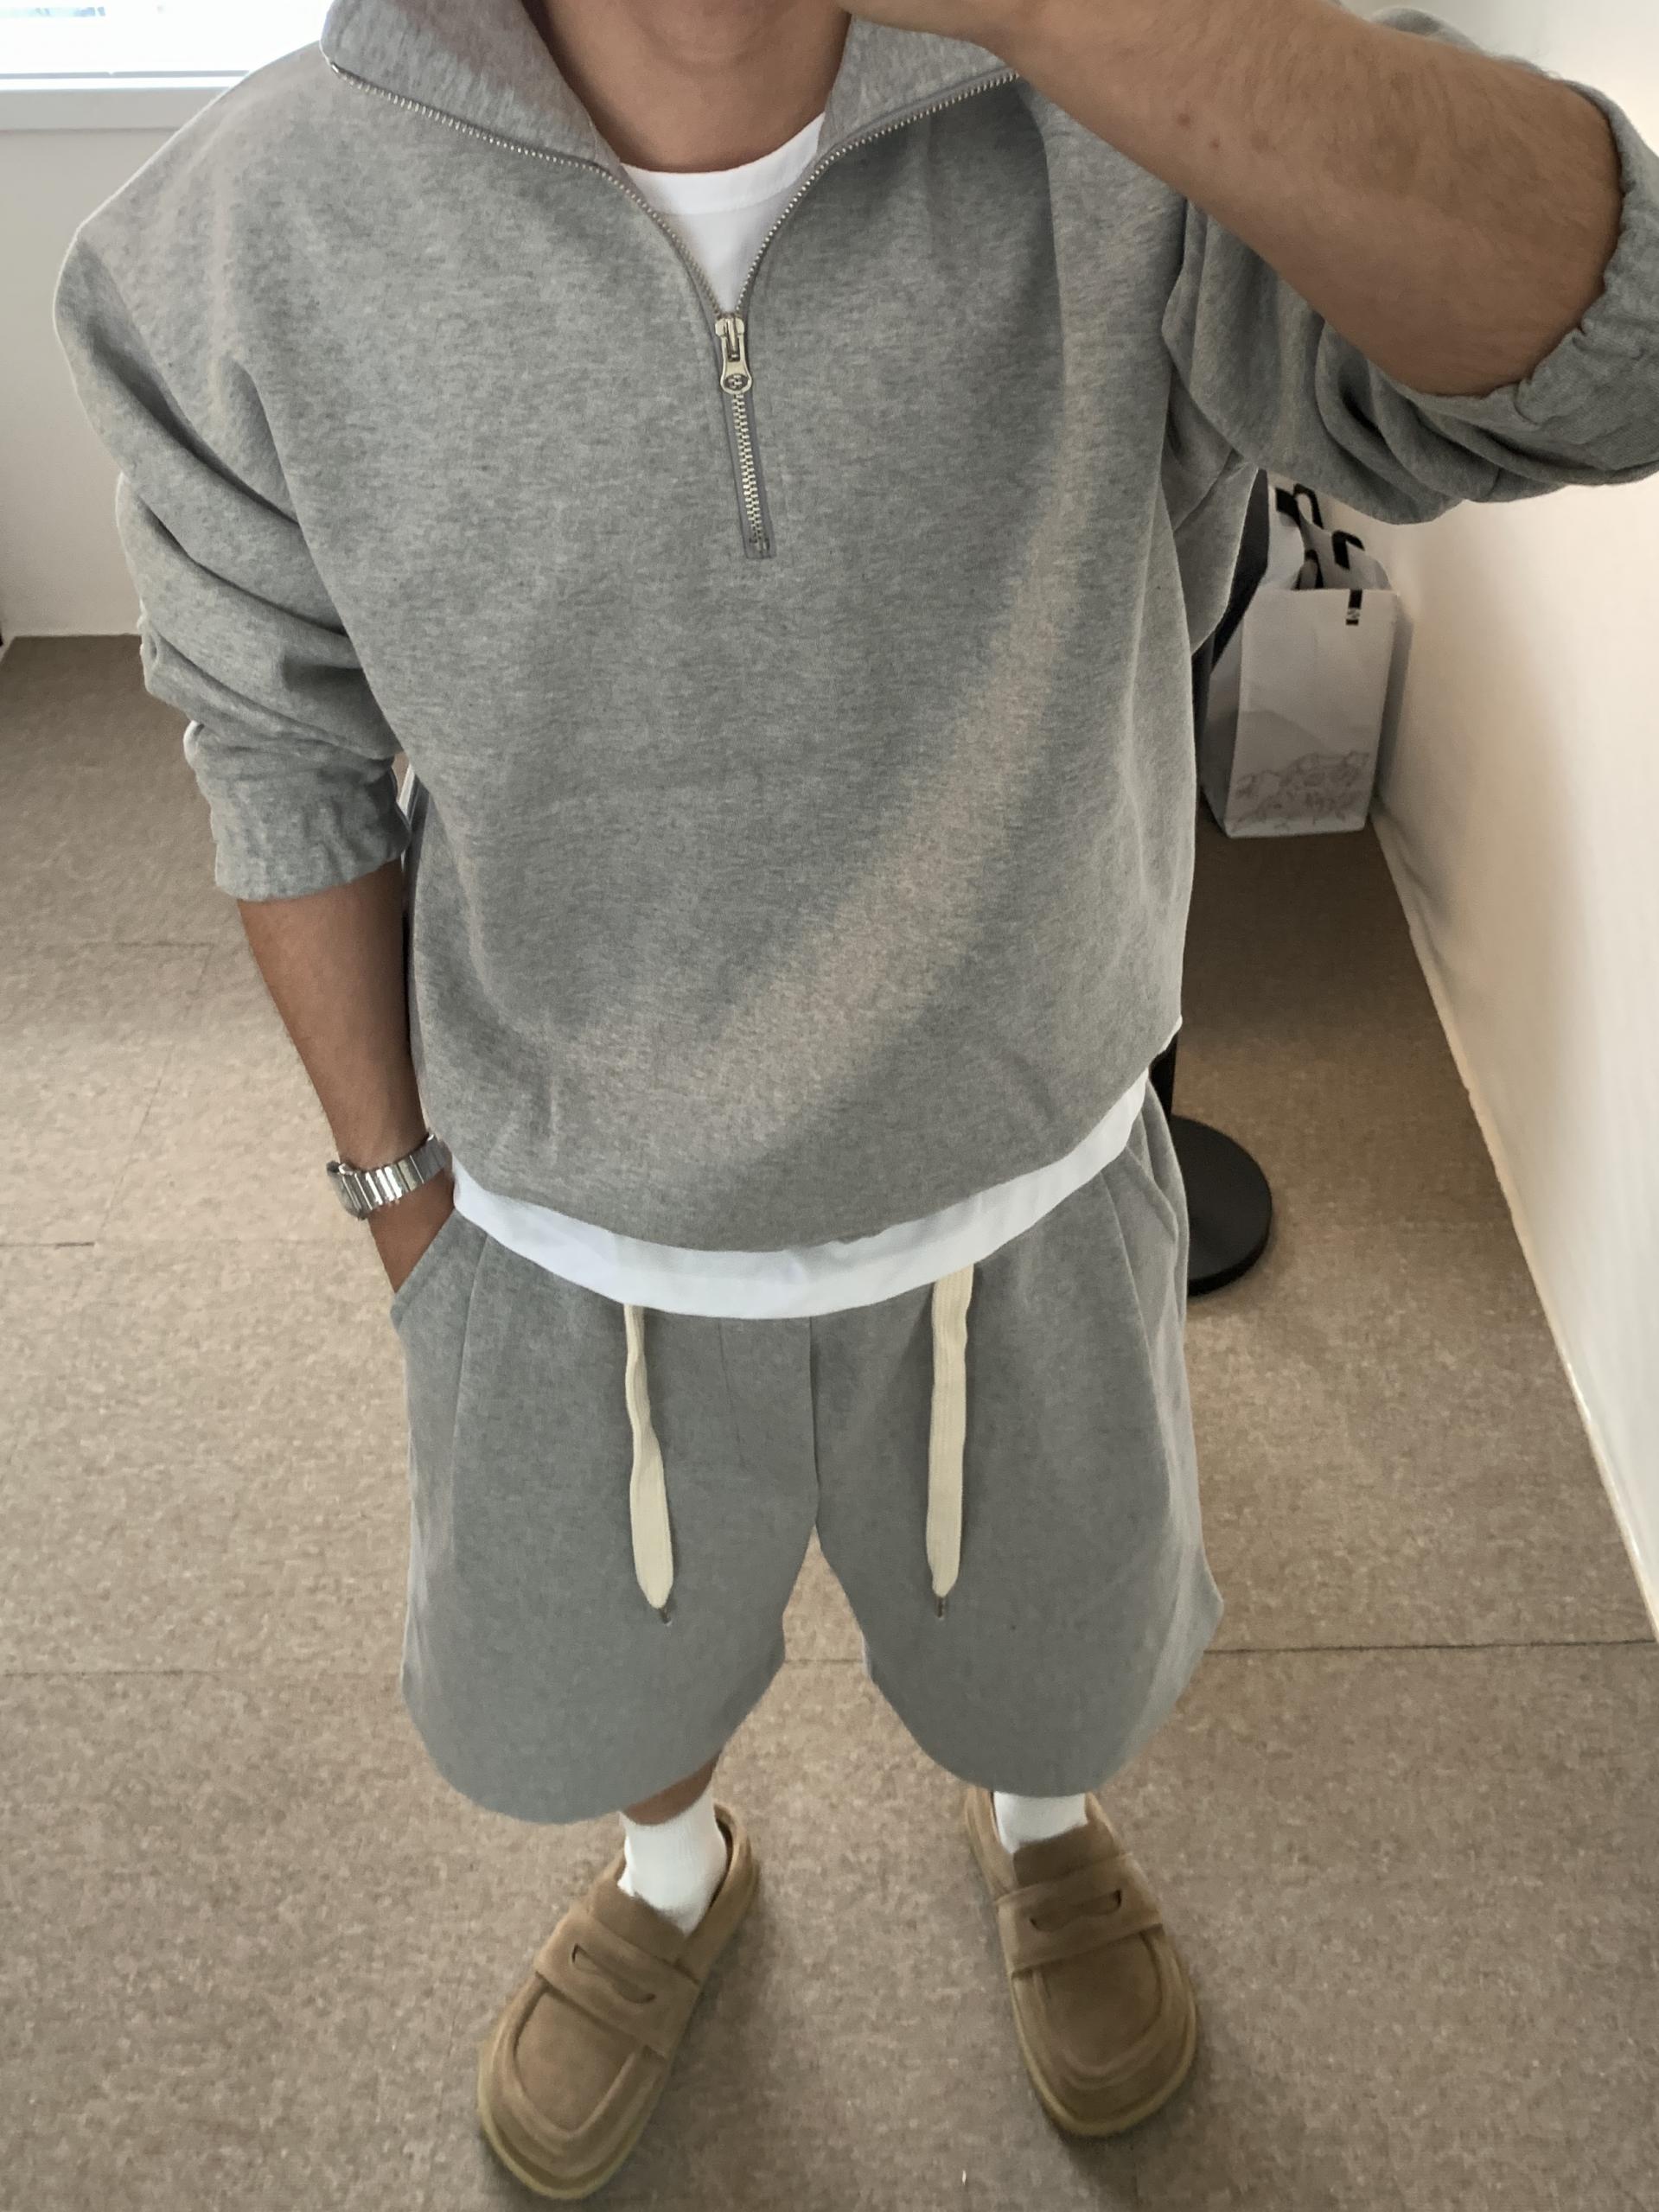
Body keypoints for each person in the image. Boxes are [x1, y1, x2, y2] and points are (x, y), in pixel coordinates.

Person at [53, 0, 1656, 2195]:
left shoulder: (1134, 135)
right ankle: (672, 1866)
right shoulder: (244, 233)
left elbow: (1607, 357)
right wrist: (400, 1197)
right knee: (594, 1683)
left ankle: (1046, 1827)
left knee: (1059, 1660)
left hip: (1036, 1163)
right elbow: (277, 740)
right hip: (559, 1212)